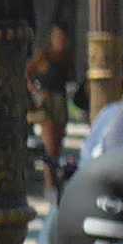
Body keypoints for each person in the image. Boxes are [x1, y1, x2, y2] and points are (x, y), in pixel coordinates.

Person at [27, 24, 75, 187]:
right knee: (49, 145)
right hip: (47, 103)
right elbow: (28, 74)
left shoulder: (67, 58)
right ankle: (50, 185)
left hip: (60, 102)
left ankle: (55, 181)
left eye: (63, 39)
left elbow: (69, 80)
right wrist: (36, 91)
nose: (60, 41)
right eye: (57, 38)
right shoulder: (44, 57)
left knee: (58, 143)